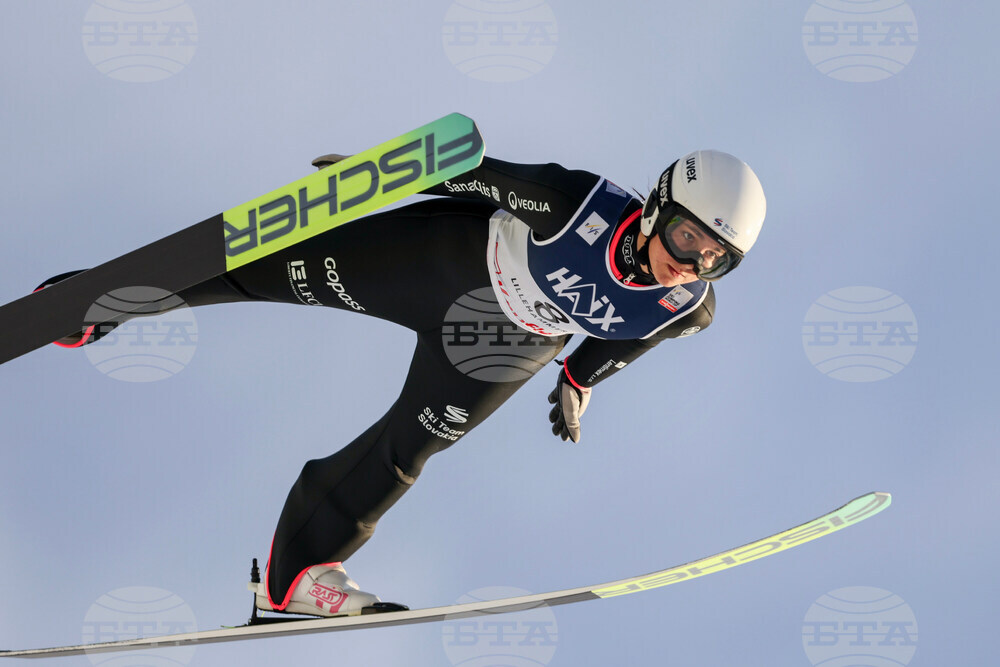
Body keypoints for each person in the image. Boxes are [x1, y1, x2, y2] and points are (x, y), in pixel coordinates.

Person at [37, 147, 766, 617]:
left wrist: (580, 374)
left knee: (405, 453)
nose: (691, 263)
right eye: (686, 238)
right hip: (446, 264)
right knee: (257, 269)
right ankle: (91, 303)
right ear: (658, 206)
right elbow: (477, 172)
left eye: (715, 259)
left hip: (505, 345)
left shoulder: (688, 304)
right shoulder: (576, 203)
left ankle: (293, 579)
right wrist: (371, 174)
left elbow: (635, 332)